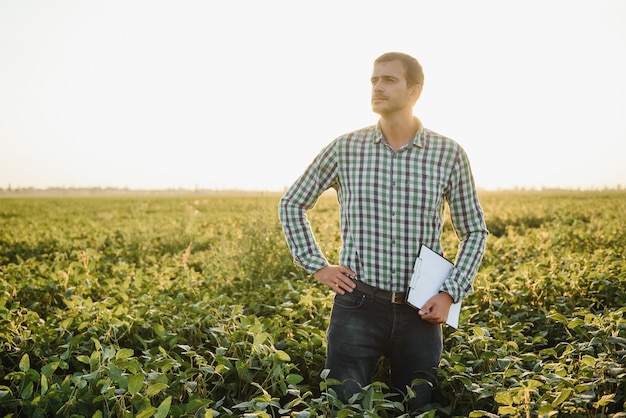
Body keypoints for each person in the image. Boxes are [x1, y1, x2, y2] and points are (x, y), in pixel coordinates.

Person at [278, 52, 488, 411]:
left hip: (420, 309)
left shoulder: (448, 153)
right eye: (374, 80)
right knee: (343, 406)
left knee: (416, 407)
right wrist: (317, 265)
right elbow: (291, 203)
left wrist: (451, 293)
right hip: (357, 305)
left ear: (415, 91)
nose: (377, 87)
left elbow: (474, 231)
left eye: (389, 80)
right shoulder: (346, 148)